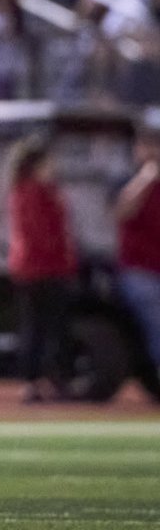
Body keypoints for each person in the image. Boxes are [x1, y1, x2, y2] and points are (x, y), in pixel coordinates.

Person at [6, 136, 77, 403]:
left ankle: (45, 380)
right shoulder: (32, 192)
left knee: (44, 329)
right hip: (40, 270)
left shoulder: (37, 191)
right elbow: (42, 233)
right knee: (40, 329)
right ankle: (37, 381)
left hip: (41, 268)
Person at [113, 125, 160, 384]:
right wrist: (146, 177)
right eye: (146, 146)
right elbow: (121, 212)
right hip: (139, 270)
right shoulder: (126, 180)